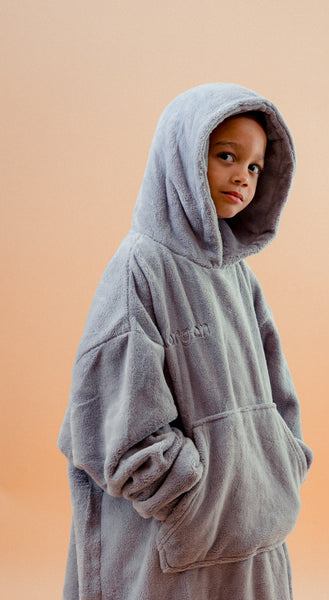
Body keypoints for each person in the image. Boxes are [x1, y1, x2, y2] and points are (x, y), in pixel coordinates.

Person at [58, 82, 313, 600]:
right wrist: (190, 498)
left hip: (254, 532)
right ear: (182, 157)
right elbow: (115, 422)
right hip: (174, 543)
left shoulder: (238, 275)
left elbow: (277, 392)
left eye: (256, 167)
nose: (243, 176)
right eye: (226, 156)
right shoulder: (140, 268)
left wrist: (278, 466)